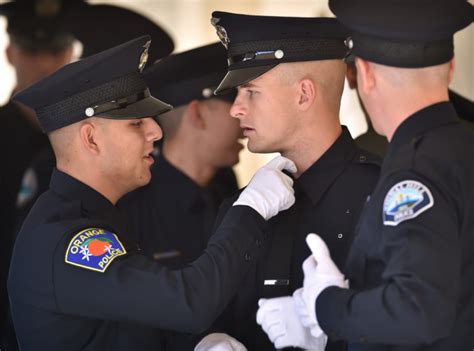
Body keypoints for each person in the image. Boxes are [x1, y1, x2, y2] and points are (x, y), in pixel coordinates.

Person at [7, 35, 297, 351]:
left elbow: (128, 324)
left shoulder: (94, 215)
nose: (156, 132)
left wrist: (197, 344)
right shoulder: (68, 240)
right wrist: (250, 210)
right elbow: (188, 302)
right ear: (91, 140)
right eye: (136, 124)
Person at [257, 0, 474, 350]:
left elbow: (417, 309)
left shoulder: (416, 172)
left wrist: (325, 307)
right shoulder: (461, 146)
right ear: (449, 68)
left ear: (365, 74)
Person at [197, 12, 381, 351]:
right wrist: (210, 341)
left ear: (304, 94)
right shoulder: (243, 206)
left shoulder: (381, 197)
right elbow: (213, 316)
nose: (235, 109)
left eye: (250, 92)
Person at [119, 42, 242, 350]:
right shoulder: (132, 206)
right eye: (234, 101)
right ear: (198, 114)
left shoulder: (225, 186)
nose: (244, 112)